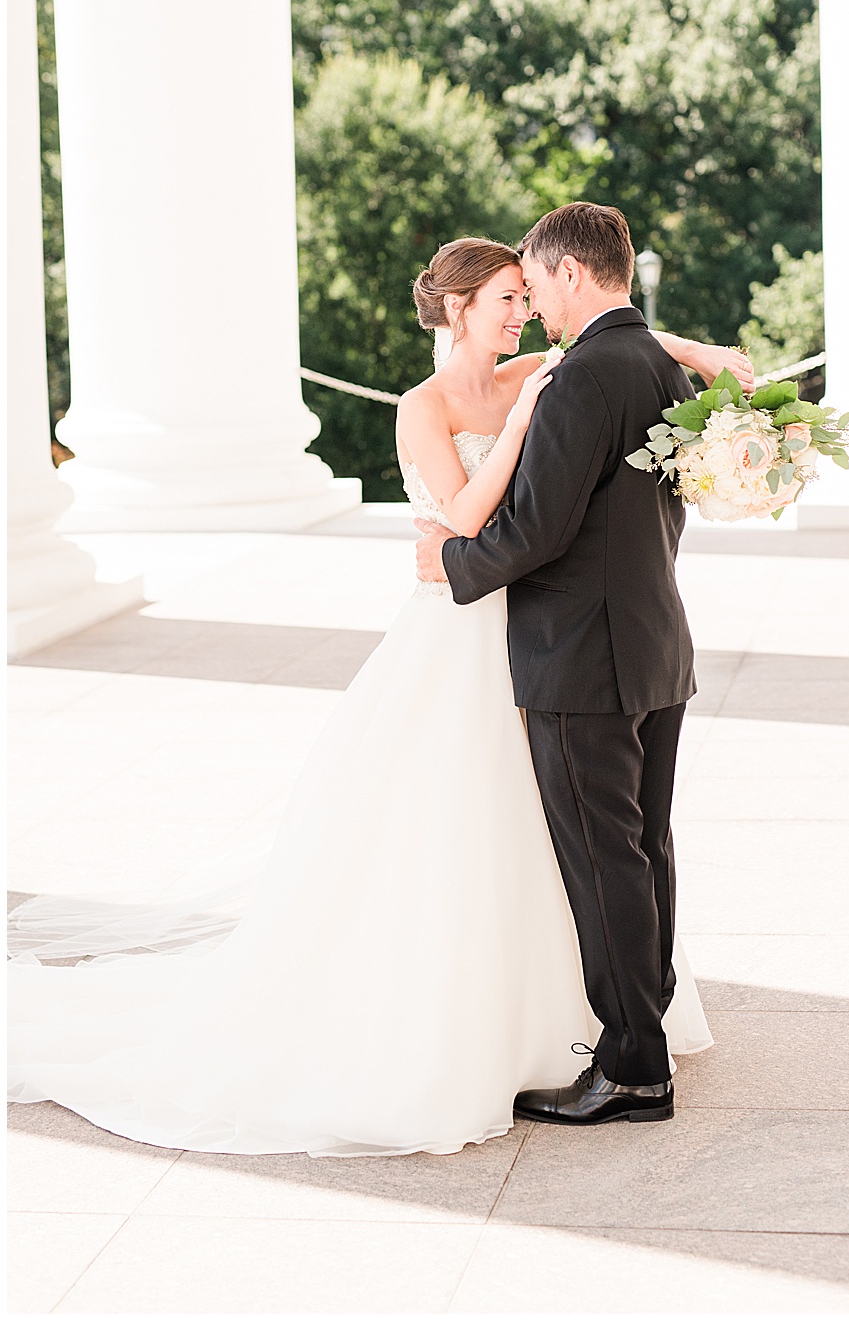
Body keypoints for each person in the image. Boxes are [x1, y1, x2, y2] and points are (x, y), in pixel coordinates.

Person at [7, 234, 738, 1155]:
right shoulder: (425, 406)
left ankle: (610, 1034)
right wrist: (510, 437)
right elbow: (461, 515)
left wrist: (700, 352)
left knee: (587, 839)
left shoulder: (550, 372)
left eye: (526, 293)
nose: (521, 312)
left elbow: (617, 340)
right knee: (504, 828)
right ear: (460, 306)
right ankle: (560, 1028)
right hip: (476, 630)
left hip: (538, 627)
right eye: (506, 298)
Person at [414, 202, 705, 1128]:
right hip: (654, 642)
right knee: (644, 848)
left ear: (570, 274)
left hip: (583, 657)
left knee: (600, 857)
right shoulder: (654, 363)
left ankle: (632, 1065)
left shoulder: (580, 377)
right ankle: (642, 1036)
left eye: (532, 286)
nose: (531, 307)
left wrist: (449, 563)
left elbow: (535, 531)